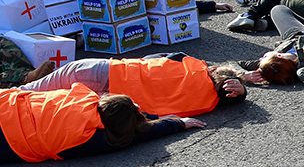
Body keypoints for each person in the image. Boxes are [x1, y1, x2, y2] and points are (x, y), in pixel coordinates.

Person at [0, 86, 203, 164]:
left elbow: (130, 116)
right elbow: (139, 133)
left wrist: (166, 118)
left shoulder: (82, 96)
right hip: (11, 139)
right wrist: (177, 123)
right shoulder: (90, 138)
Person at [18, 54, 247, 116]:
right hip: (108, 95)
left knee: (21, 96)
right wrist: (241, 90)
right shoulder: (206, 102)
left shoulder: (192, 64)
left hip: (102, 71)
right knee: (35, 106)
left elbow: (155, 57)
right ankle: (28, 79)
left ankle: (27, 80)